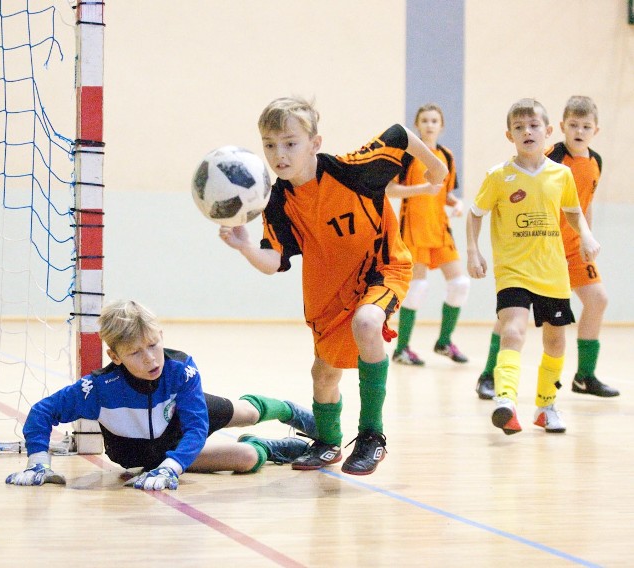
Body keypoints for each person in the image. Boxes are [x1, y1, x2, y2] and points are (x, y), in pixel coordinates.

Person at [218, 96, 447, 475]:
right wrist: (244, 247)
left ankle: (373, 436)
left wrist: (436, 169)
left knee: (368, 323)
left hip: (383, 270)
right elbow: (275, 261)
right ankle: (327, 442)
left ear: (315, 143)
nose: (280, 154)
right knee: (324, 374)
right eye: (270, 145)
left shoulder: (353, 169)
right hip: (328, 292)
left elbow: (401, 133)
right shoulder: (277, 201)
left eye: (290, 143)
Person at [5, 299, 319, 490]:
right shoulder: (98, 389)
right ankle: (268, 447)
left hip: (180, 422)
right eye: (136, 353)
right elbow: (42, 412)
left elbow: (196, 428)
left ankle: (288, 411)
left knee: (247, 414)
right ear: (116, 357)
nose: (152, 359)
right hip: (139, 456)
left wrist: (172, 468)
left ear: (161, 337)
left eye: (154, 345)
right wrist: (38, 462)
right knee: (247, 458)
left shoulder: (180, 370)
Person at [466, 98, 600, 435]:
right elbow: (475, 213)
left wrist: (585, 235)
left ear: (548, 131)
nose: (527, 131)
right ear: (509, 135)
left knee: (555, 342)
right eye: (519, 127)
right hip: (513, 270)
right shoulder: (498, 176)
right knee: (513, 329)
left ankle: (545, 406)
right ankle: (506, 400)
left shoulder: (562, 174)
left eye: (534, 125)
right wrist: (473, 251)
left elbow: (573, 210)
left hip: (552, 271)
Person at [387, 103, 471, 366]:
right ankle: (402, 349)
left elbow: (443, 192)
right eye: (425, 120)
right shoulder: (407, 155)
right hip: (413, 230)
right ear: (417, 125)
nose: (430, 125)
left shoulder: (446, 155)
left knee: (460, 284)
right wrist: (422, 188)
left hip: (441, 230)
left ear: (441, 125)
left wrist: (454, 203)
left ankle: (444, 341)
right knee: (417, 288)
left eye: (435, 120)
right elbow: (390, 190)